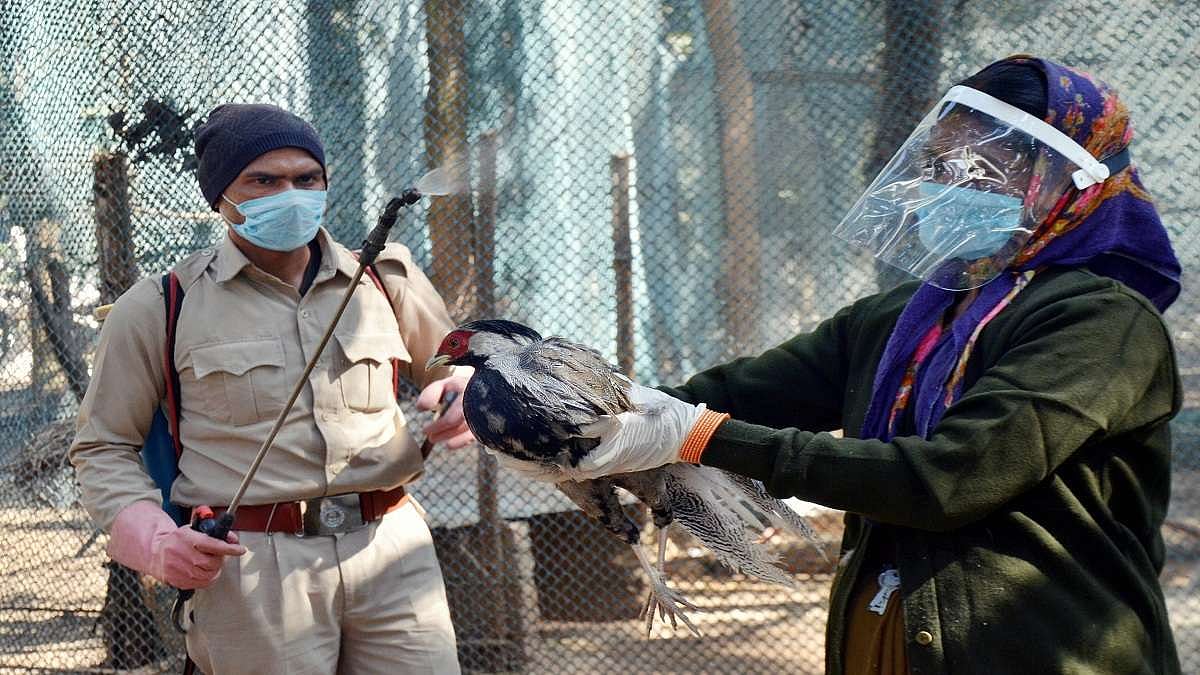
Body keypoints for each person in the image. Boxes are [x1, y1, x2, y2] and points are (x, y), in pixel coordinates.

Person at [524, 56, 1184, 673]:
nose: (942, 189)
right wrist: (555, 405)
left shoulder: (1104, 324)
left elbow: (948, 479)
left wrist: (697, 434)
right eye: (936, 166)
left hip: (1044, 649)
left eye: (975, 173)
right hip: (888, 636)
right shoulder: (907, 315)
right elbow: (738, 392)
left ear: (1061, 182)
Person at [70, 104, 475, 674]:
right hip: (252, 565)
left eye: (306, 179)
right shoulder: (160, 305)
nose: (290, 194)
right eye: (264, 180)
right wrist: (157, 541)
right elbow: (102, 445)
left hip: (393, 549)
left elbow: (458, 368)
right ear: (222, 197)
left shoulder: (386, 278)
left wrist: (466, 397)